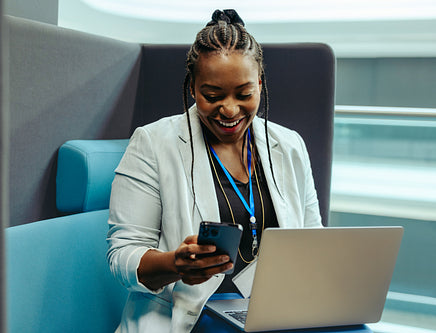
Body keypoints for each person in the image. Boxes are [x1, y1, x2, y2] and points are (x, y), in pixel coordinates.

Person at [107, 9, 322, 333]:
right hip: (185, 319)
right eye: (212, 96)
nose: (230, 109)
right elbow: (121, 257)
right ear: (193, 88)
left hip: (270, 317)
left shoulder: (289, 146)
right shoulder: (152, 143)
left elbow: (312, 240)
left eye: (244, 94)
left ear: (260, 84)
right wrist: (175, 264)